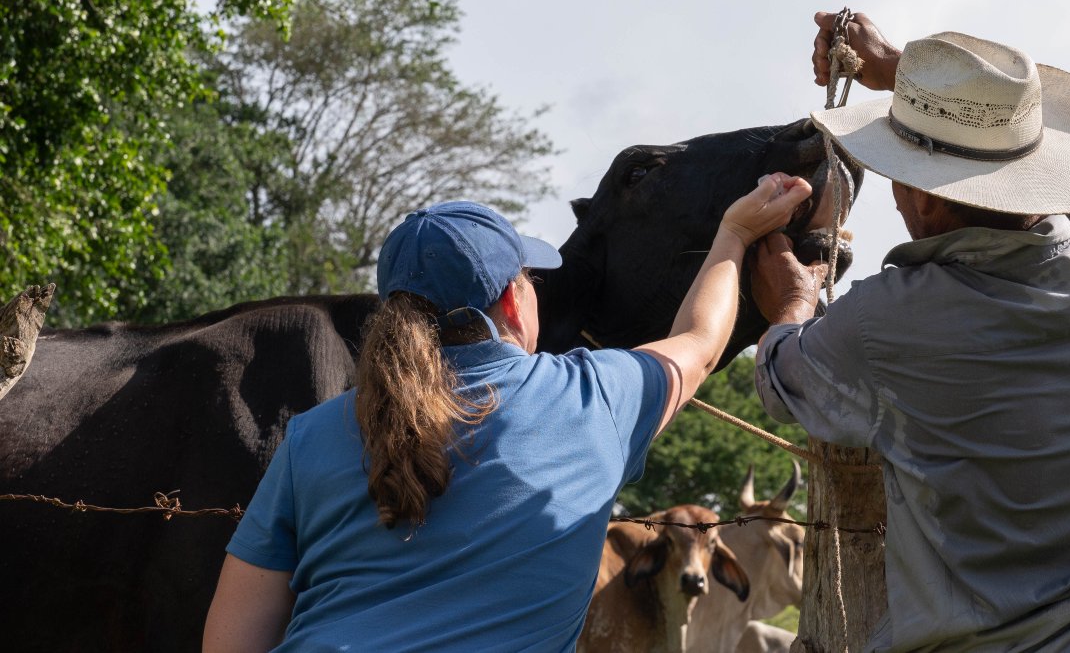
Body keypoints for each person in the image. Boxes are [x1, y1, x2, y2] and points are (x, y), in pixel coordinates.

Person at [202, 175, 812, 652]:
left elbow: (231, 642)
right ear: (514, 302)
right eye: (528, 278)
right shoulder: (590, 399)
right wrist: (734, 231)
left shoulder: (310, 436)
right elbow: (701, 343)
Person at [751, 11, 1070, 651]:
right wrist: (903, 73)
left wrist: (790, 305)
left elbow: (781, 375)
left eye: (899, 174)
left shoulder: (885, 323)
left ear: (927, 200)